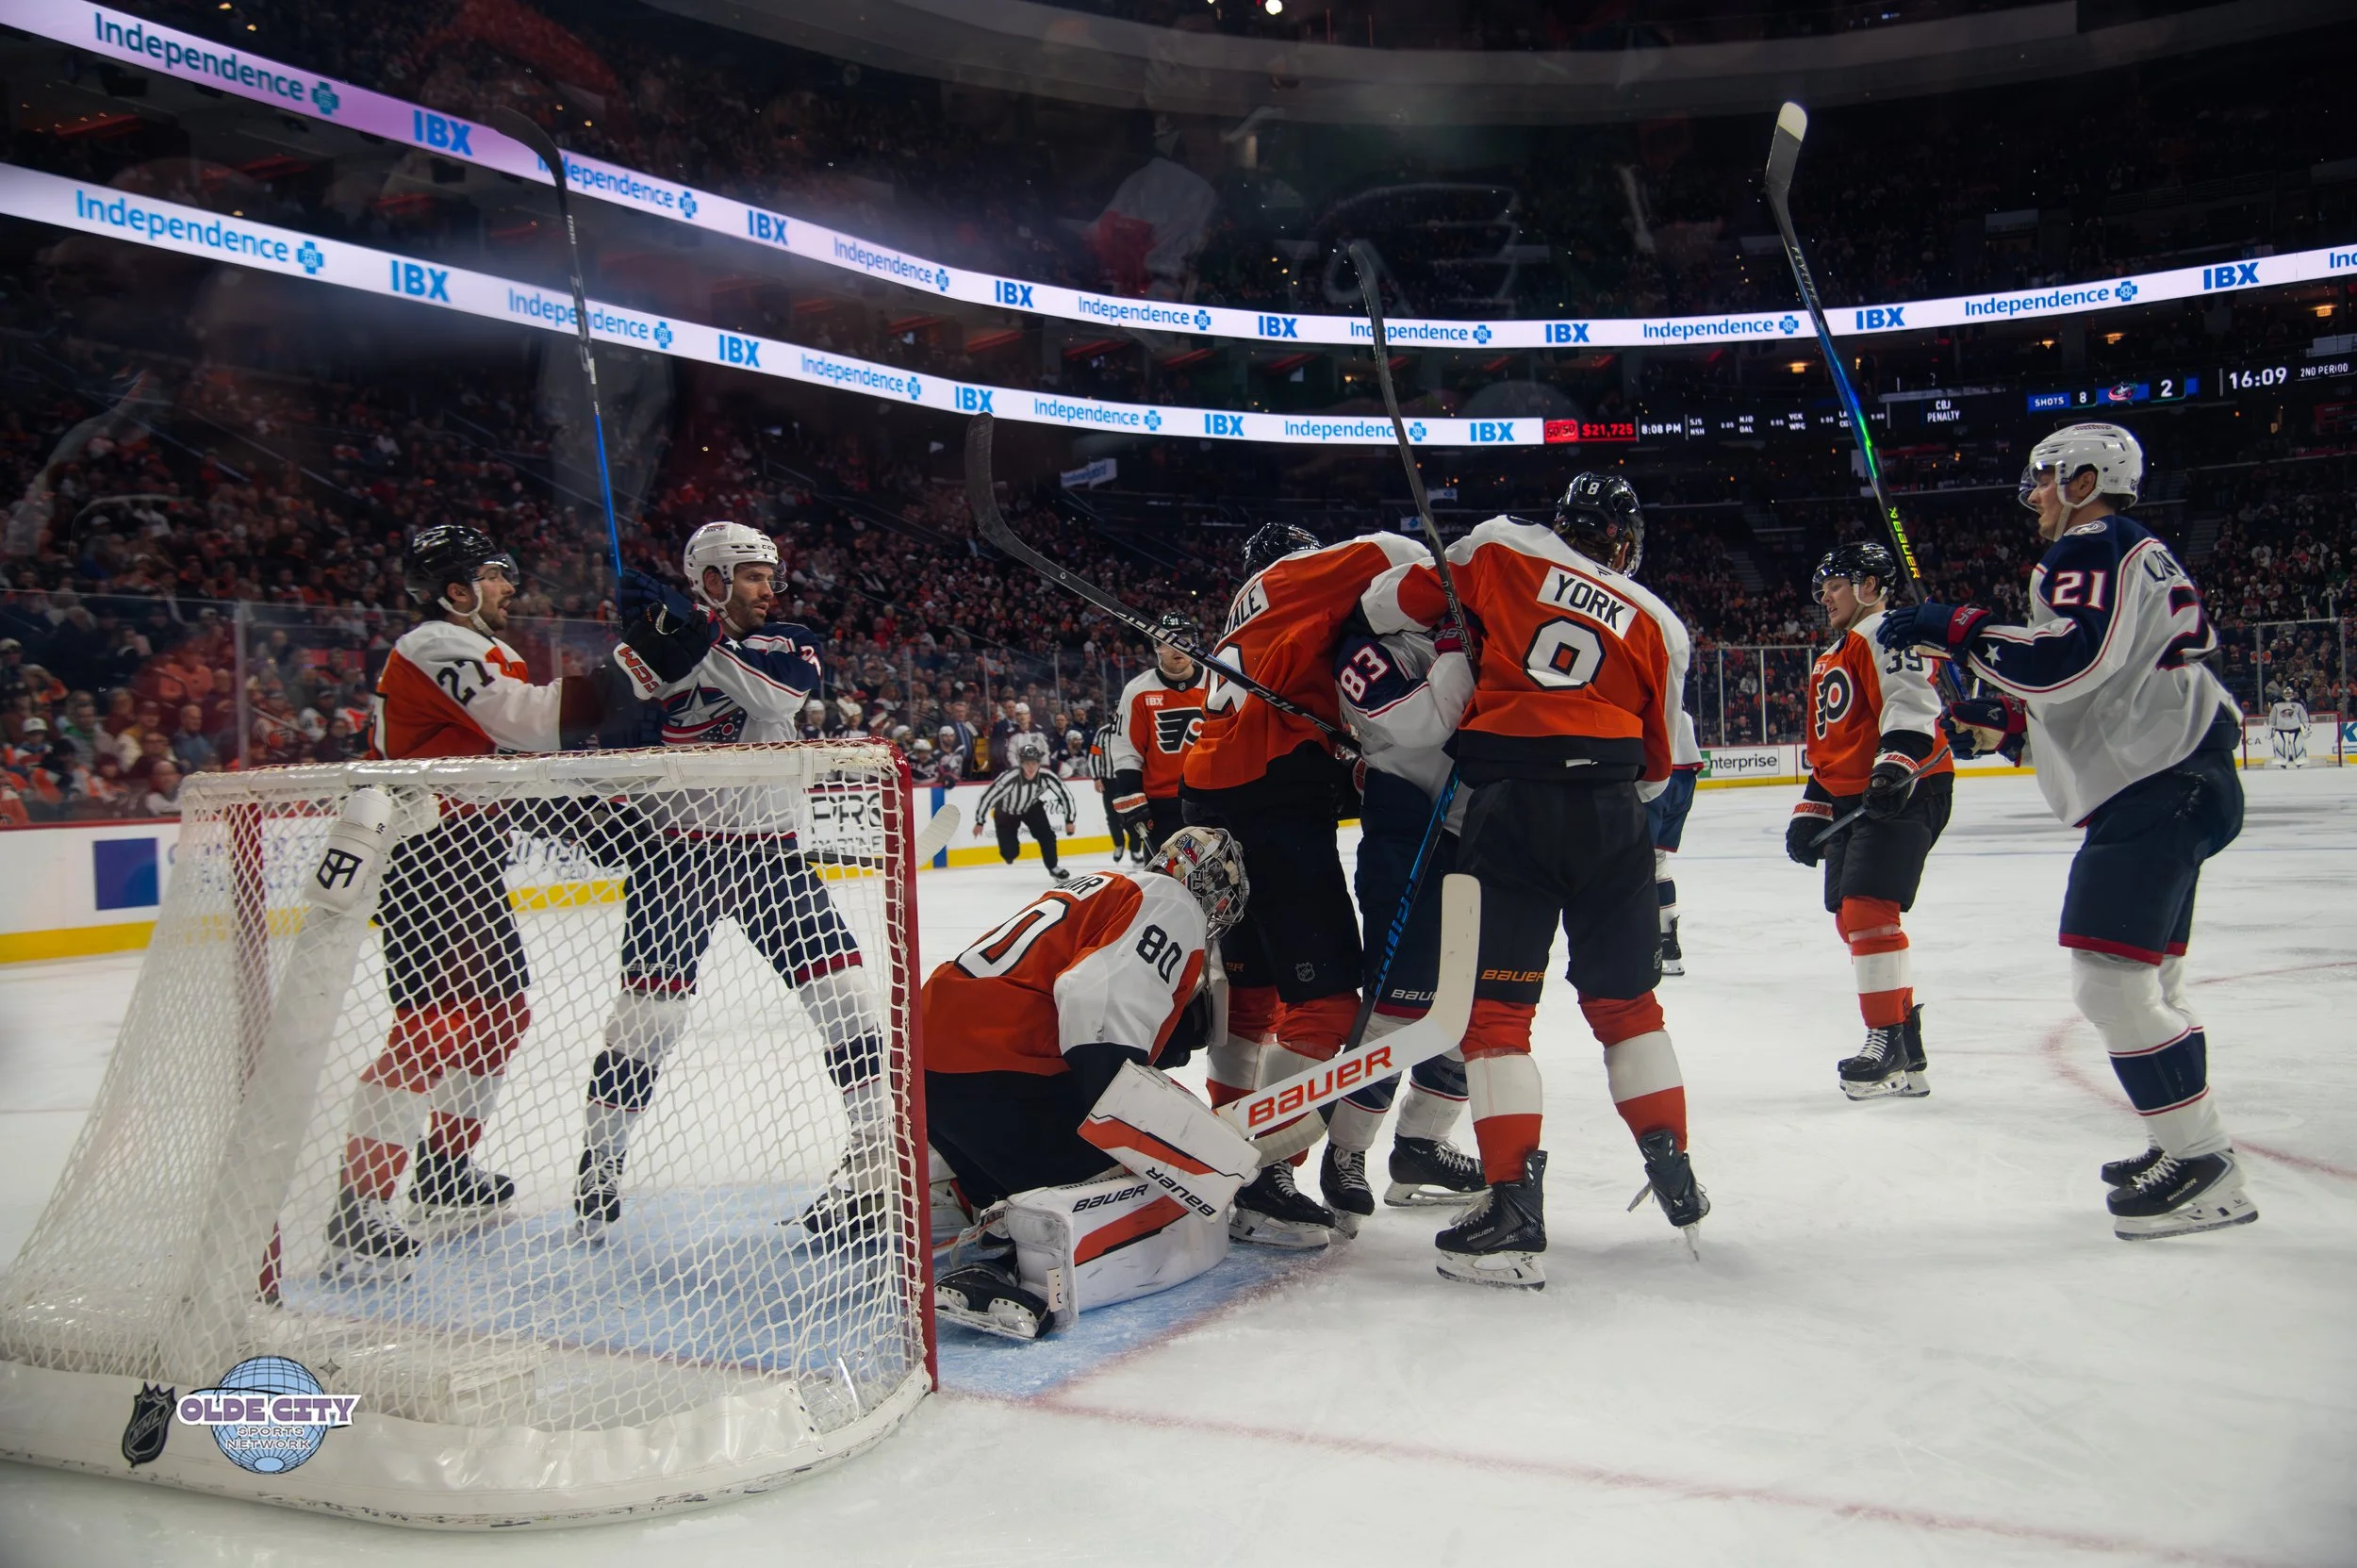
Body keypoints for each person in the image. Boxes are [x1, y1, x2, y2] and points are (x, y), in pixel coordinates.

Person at [1878, 421, 2257, 1240]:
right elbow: (2090, 690)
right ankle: (2182, 1141)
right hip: (2184, 776)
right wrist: (2005, 723)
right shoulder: (2133, 549)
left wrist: (1962, 629)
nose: (2037, 495)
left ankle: (2204, 1161)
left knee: (2109, 985)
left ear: (2088, 479)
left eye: (2047, 478)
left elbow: (2068, 661)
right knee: (2149, 986)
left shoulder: (2090, 545)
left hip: (2159, 787)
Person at [1361, 473, 1705, 1288]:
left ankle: (1515, 1208)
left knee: (1497, 1017)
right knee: (1629, 1007)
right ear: (1621, 539)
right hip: (1614, 811)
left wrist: (1463, 622)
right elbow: (1661, 764)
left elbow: (1388, 607)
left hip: (1511, 804)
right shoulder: (1658, 620)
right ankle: (1675, 1169)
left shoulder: (1499, 543)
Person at [575, 521, 892, 1245]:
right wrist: (636, 654)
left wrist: (692, 640)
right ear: (712, 579)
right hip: (674, 858)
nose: (768, 587)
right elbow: (609, 725)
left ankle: (878, 1159)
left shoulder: (790, 640)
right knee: (646, 1023)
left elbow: (776, 701)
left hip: (770, 857)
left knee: (847, 1000)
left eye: (767, 575)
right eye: (751, 575)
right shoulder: (658, 644)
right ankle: (599, 1164)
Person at [324, 523, 603, 1279]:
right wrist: (631, 674)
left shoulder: (481, 648)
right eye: (493, 574)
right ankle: (357, 1207)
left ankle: (445, 1168)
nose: (509, 586)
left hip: (469, 851)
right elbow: (535, 722)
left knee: (501, 1012)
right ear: (455, 589)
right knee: (432, 1025)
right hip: (423, 853)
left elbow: (510, 755)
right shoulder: (434, 643)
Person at [1183, 520, 1429, 1246]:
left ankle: (1230, 1155)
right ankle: (1259, 1171)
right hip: (1271, 797)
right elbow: (1397, 550)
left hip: (1211, 798)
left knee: (1251, 999)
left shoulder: (1248, 610)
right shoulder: (1294, 577)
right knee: (1323, 1008)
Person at [924, 827, 1249, 1338]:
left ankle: (955, 1193)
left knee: (1018, 1152)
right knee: (1140, 1176)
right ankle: (1011, 1258)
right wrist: (1125, 1109)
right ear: (1211, 886)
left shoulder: (1101, 884)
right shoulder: (1172, 900)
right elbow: (1093, 996)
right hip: (998, 1073)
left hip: (931, 1073)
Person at [1318, 604, 1487, 1233]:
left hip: (1480, 834)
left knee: (1474, 1010)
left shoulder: (1485, 628)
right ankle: (1346, 1150)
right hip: (1410, 827)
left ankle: (1420, 1146)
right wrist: (1459, 655)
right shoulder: (1366, 643)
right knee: (1398, 1008)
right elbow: (1418, 723)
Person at [1785, 540, 1953, 1100]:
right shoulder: (1835, 652)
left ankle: (1884, 1041)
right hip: (1857, 797)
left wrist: (1895, 767)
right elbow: (1832, 745)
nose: (1825, 596)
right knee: (1850, 920)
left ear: (1871, 586)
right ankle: (1906, 1039)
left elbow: (1911, 705)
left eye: (1837, 584)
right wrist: (1811, 808)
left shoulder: (1886, 631)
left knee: (1867, 911)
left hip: (1906, 785)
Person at [1106, 614, 1206, 862]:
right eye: (1167, 642)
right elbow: (1126, 748)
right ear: (1157, 647)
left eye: (1182, 640)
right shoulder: (1138, 691)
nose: (1176, 648)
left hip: (1213, 797)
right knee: (1167, 883)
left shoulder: (1218, 682)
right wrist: (1130, 790)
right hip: (1162, 804)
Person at [1648, 701, 1705, 977]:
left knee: (1631, 861)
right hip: (1684, 779)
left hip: (1657, 775)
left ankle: (1635, 944)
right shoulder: (1674, 684)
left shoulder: (1648, 678)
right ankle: (1668, 947)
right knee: (1657, 861)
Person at [974, 740, 1078, 881]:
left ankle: (1053, 867)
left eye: (1034, 763)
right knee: (1010, 853)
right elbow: (988, 796)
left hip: (1031, 807)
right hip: (1006, 812)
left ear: (1039, 763)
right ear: (1021, 763)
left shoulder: (1046, 776)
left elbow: (1065, 795)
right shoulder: (1009, 777)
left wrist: (1069, 820)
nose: (1031, 767)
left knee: (1047, 836)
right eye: (1027, 763)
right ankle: (1010, 853)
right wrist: (980, 821)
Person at [2267, 691, 2309, 767]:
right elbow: (2272, 718)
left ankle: (2300, 761)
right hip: (2280, 730)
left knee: (2298, 746)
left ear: (2293, 695)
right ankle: (2281, 761)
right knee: (2280, 747)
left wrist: (2306, 726)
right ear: (2283, 695)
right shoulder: (2276, 705)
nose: (2288, 695)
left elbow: (2304, 717)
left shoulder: (2298, 705)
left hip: (2296, 729)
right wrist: (2271, 727)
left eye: (2289, 693)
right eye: (2286, 694)